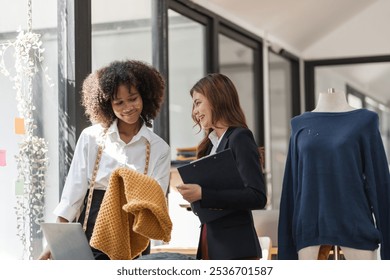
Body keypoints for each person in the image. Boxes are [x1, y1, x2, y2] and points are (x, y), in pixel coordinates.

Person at [38, 60, 171, 260]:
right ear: (107, 105)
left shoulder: (159, 148)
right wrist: (54, 244)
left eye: (133, 98)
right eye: (119, 103)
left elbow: (156, 200)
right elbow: (73, 194)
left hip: (134, 234)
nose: (128, 107)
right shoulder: (91, 138)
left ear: (144, 96)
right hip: (92, 228)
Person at [278, 88, 390, 260]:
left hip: (356, 229)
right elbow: (291, 189)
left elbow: (380, 184)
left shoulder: (365, 121)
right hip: (309, 231)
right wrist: (286, 256)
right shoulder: (299, 124)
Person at [176, 73, 267, 260]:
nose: (194, 111)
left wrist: (203, 194)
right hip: (210, 240)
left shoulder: (240, 137)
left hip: (235, 248)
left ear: (216, 99)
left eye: (198, 102)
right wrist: (196, 198)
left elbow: (257, 196)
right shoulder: (210, 145)